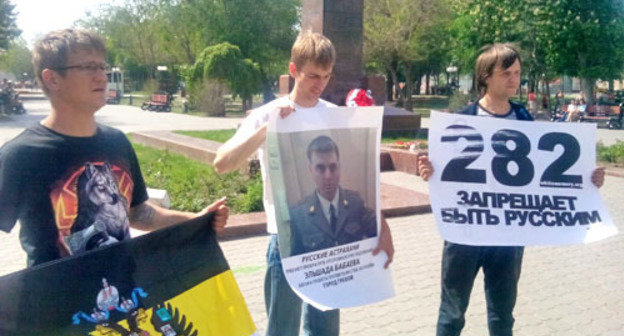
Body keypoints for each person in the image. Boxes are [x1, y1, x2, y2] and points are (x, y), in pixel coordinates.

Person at [417, 43, 605, 336]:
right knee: (452, 315)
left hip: (508, 237)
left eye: (517, 73)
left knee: (503, 316)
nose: (514, 79)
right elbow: (441, 174)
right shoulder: (461, 121)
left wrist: (587, 179)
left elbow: (548, 176)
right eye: (506, 73)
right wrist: (429, 171)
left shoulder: (526, 121)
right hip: (465, 235)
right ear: (485, 76)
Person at [213, 31, 394, 336]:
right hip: (287, 242)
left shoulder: (336, 116)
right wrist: (267, 131)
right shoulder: (267, 114)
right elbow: (222, 163)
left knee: (325, 329)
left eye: (326, 76)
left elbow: (365, 178)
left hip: (334, 243)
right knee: (281, 330)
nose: (319, 84)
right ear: (294, 70)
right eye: (312, 75)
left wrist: (383, 227)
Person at [0, 29, 229, 267]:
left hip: (123, 296)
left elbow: (137, 212)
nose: (101, 77)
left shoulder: (116, 142)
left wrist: (196, 219)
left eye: (102, 67)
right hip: (58, 301)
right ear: (52, 79)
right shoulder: (22, 155)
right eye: (88, 67)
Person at [289, 135, 377, 256]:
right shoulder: (299, 214)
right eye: (320, 168)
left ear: (339, 167)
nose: (328, 176)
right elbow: (296, 262)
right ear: (310, 170)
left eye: (333, 167)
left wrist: (385, 230)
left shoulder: (355, 203)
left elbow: (377, 227)